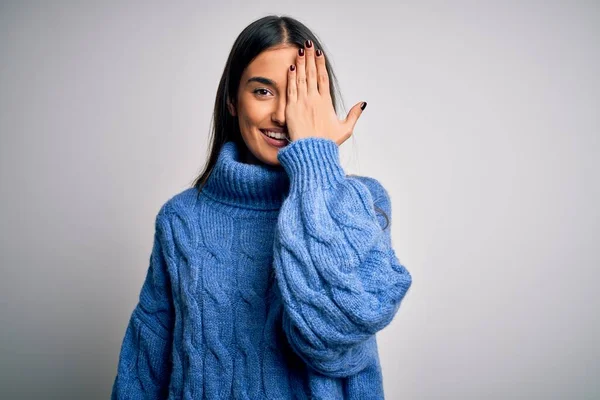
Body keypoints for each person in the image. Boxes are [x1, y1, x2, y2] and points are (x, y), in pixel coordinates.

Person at [111, 14, 412, 399]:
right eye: (263, 91)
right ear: (232, 102)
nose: (283, 115)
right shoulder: (180, 219)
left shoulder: (362, 204)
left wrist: (315, 160)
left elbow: (334, 335)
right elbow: (145, 361)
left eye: (300, 94)